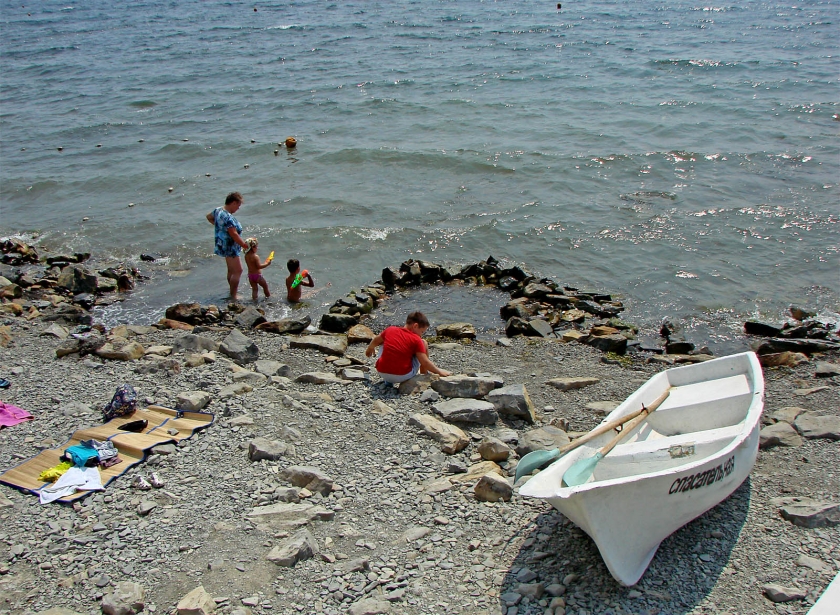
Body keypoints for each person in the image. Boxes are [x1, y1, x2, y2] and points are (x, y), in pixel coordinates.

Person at [365, 311, 451, 383]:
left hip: (382, 372)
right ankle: (424, 374)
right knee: (423, 343)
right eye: (422, 332)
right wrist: (440, 372)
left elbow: (376, 340)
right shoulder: (416, 339)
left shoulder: (390, 329)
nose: (421, 335)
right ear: (415, 326)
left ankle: (388, 382)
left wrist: (370, 348)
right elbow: (425, 362)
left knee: (384, 340)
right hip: (403, 376)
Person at [206, 192, 249, 299]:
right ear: (233, 203)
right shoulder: (228, 217)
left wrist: (220, 229)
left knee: (231, 270)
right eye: (238, 206)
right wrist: (244, 245)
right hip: (230, 246)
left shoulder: (218, 210)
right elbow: (233, 234)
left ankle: (231, 291)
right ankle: (234, 295)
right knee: (238, 270)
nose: (238, 209)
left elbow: (209, 217)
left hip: (222, 244)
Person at [243, 237, 272, 301]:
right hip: (258, 276)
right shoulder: (255, 256)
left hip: (250, 276)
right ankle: (268, 298)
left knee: (254, 289)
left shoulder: (246, 256)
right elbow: (259, 266)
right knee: (265, 287)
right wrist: (267, 263)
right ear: (252, 247)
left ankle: (254, 301)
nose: (257, 248)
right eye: (256, 247)